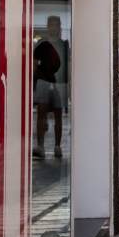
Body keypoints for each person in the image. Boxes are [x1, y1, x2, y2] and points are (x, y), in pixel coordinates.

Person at [33, 16, 68, 160]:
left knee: (59, 115)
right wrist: (35, 83)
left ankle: (57, 146)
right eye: (51, 25)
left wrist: (69, 84)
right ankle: (40, 146)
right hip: (43, 83)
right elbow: (34, 64)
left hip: (60, 83)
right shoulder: (41, 44)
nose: (53, 28)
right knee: (41, 113)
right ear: (47, 26)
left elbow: (68, 64)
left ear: (59, 27)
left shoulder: (64, 45)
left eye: (56, 25)